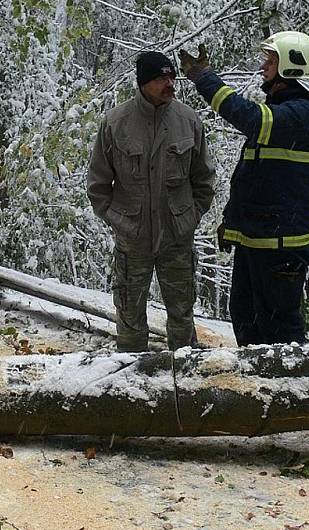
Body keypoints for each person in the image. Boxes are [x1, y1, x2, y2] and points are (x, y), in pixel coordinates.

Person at [180, 31, 309, 346]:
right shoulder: (285, 113)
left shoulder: (302, 115)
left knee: (280, 331)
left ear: (292, 66)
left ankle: (296, 390)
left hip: (280, 246)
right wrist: (233, 223)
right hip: (259, 240)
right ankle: (259, 388)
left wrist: (205, 79)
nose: (263, 68)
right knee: (247, 319)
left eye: (271, 61)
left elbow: (249, 117)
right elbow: (257, 179)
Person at [87, 51, 215, 352]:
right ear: (144, 82)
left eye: (172, 76)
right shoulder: (116, 122)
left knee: (182, 315)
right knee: (129, 315)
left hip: (176, 238)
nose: (170, 83)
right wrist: (119, 221)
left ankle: (184, 382)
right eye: (161, 78)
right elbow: (98, 183)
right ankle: (132, 382)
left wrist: (189, 218)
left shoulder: (188, 121)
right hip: (133, 240)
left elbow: (204, 179)